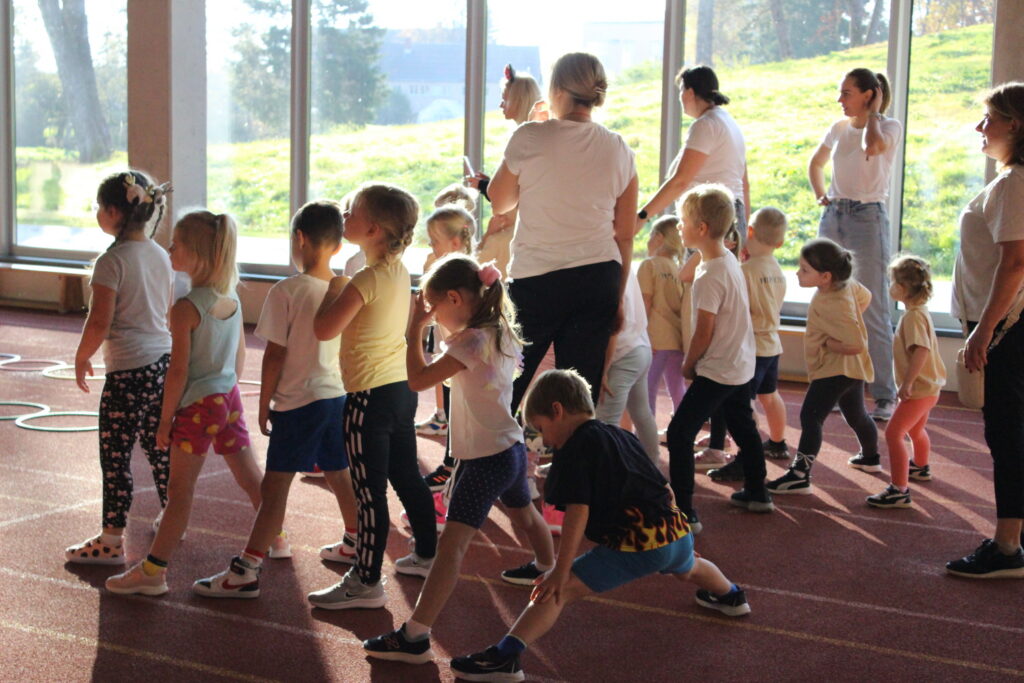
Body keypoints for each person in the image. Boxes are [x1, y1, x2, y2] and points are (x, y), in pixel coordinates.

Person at [449, 368, 750, 682]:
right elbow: (665, 488)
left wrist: (560, 571)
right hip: (674, 529)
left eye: (541, 429)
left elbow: (578, 512)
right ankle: (731, 596)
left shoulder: (576, 447)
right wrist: (678, 534)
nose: (545, 441)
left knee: (557, 590)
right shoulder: (620, 435)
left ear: (557, 410)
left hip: (639, 543)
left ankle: (504, 658)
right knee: (690, 568)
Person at [361, 255, 555, 664]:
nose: (433, 317)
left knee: (451, 546)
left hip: (487, 458)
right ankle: (547, 567)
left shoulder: (470, 342)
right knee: (524, 514)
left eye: (435, 308)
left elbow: (417, 380)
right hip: (509, 448)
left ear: (453, 298)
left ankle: (415, 636)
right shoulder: (497, 329)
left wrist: (415, 329)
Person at [191, 201, 361, 597]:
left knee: (275, 488)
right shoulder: (345, 291)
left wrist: (264, 402)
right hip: (335, 397)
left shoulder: (287, 290)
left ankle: (246, 569)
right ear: (338, 246)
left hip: (298, 402)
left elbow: (275, 354)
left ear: (299, 239)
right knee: (339, 471)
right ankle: (357, 540)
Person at [105, 211, 272, 595]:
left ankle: (153, 571)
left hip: (197, 406)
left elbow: (177, 371)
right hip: (228, 399)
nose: (169, 249)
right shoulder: (231, 296)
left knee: (179, 493)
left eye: (176, 245)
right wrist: (226, 389)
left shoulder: (186, 308)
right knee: (250, 476)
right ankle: (274, 536)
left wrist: (165, 421)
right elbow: (239, 356)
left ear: (196, 255)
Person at [487, 52, 638, 412]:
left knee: (505, 388)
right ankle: (575, 452)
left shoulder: (530, 136)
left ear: (555, 90)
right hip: (597, 278)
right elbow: (625, 234)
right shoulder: (618, 147)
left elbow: (499, 201)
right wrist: (618, 297)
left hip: (537, 280)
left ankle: (499, 449)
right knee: (578, 401)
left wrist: (532, 130)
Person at [311, 182, 437, 608]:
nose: (344, 216)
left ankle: (365, 581)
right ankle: (427, 554)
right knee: (406, 476)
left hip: (368, 396)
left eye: (352, 212)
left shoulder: (364, 279)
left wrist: (334, 287)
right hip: (399, 389)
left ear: (374, 229)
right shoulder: (398, 271)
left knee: (368, 492)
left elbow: (324, 329)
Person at [65, 171, 173, 565]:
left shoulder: (111, 261)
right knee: (159, 445)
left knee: (115, 455)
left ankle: (111, 540)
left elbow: (99, 321)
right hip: (162, 363)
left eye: (99, 207)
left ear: (113, 212)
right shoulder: (160, 255)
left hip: (128, 369)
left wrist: (82, 356)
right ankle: (172, 515)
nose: (98, 213)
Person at [946, 82, 1024, 578]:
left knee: (1006, 431)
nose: (980, 126)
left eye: (989, 117)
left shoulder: (1013, 183)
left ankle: (1008, 547)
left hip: (1005, 326)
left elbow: (1015, 263)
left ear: (1015, 124)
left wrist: (983, 332)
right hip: (1007, 323)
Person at [665, 185, 772, 528]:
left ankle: (685, 512)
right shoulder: (727, 259)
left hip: (718, 368)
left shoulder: (710, 274)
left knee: (679, 433)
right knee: (742, 424)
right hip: (740, 363)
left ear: (701, 228)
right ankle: (757, 491)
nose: (678, 226)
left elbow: (704, 330)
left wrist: (689, 363)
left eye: (682, 221)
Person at [808, 68, 902, 421]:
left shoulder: (888, 127)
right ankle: (835, 388)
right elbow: (815, 163)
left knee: (873, 307)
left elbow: (871, 147)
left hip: (868, 217)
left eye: (847, 93)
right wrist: (821, 194)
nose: (840, 99)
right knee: (832, 302)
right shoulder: (838, 128)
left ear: (869, 94)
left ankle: (884, 396)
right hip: (834, 215)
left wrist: (874, 113)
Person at [767, 239, 880, 496]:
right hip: (851, 369)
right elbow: (866, 297)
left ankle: (799, 475)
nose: (798, 273)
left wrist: (830, 342)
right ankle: (870, 457)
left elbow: (856, 344)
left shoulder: (834, 303)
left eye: (805, 270)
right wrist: (849, 322)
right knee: (856, 414)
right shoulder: (844, 286)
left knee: (810, 417)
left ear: (825, 276)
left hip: (835, 369)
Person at [637, 65, 749, 254]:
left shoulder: (706, 125)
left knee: (702, 273)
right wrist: (743, 233)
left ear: (689, 92)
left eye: (681, 90)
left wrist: (642, 216)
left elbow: (680, 181)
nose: (680, 97)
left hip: (710, 219)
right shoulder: (728, 122)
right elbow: (744, 185)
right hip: (730, 217)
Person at [867, 255, 945, 509]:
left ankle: (899, 490)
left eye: (891, 282)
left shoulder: (912, 317)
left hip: (920, 389)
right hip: (930, 387)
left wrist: (907, 384)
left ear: (901, 288)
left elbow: (921, 350)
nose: (889, 286)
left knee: (893, 433)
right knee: (915, 430)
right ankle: (920, 467)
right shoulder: (919, 311)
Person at [416, 199, 477, 495]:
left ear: (455, 242)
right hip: (451, 355)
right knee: (455, 415)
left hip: (462, 359)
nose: (431, 247)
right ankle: (453, 466)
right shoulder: (442, 269)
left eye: (435, 241)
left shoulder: (469, 277)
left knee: (465, 417)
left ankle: (457, 470)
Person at [469, 63, 544, 280]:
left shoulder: (525, 140)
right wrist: (489, 185)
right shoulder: (536, 137)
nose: (501, 104)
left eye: (505, 99)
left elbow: (515, 195)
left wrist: (485, 186)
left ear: (518, 101)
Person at [741, 207, 790, 461]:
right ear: (779, 243)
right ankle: (778, 442)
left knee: (744, 401)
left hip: (753, 345)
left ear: (749, 231)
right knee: (769, 395)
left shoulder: (746, 270)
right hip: (772, 343)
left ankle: (747, 452)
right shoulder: (778, 269)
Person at [597, 269, 659, 462]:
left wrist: (604, 370)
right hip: (638, 348)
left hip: (622, 355)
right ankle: (653, 468)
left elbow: (614, 328)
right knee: (641, 414)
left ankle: (607, 476)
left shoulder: (610, 270)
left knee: (606, 424)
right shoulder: (623, 269)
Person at [638, 215, 687, 420]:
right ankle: (684, 427)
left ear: (658, 238)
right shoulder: (679, 269)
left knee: (647, 388)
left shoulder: (649, 265)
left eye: (650, 236)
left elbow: (645, 302)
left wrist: (641, 335)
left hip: (656, 339)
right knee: (676, 387)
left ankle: (645, 434)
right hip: (676, 337)